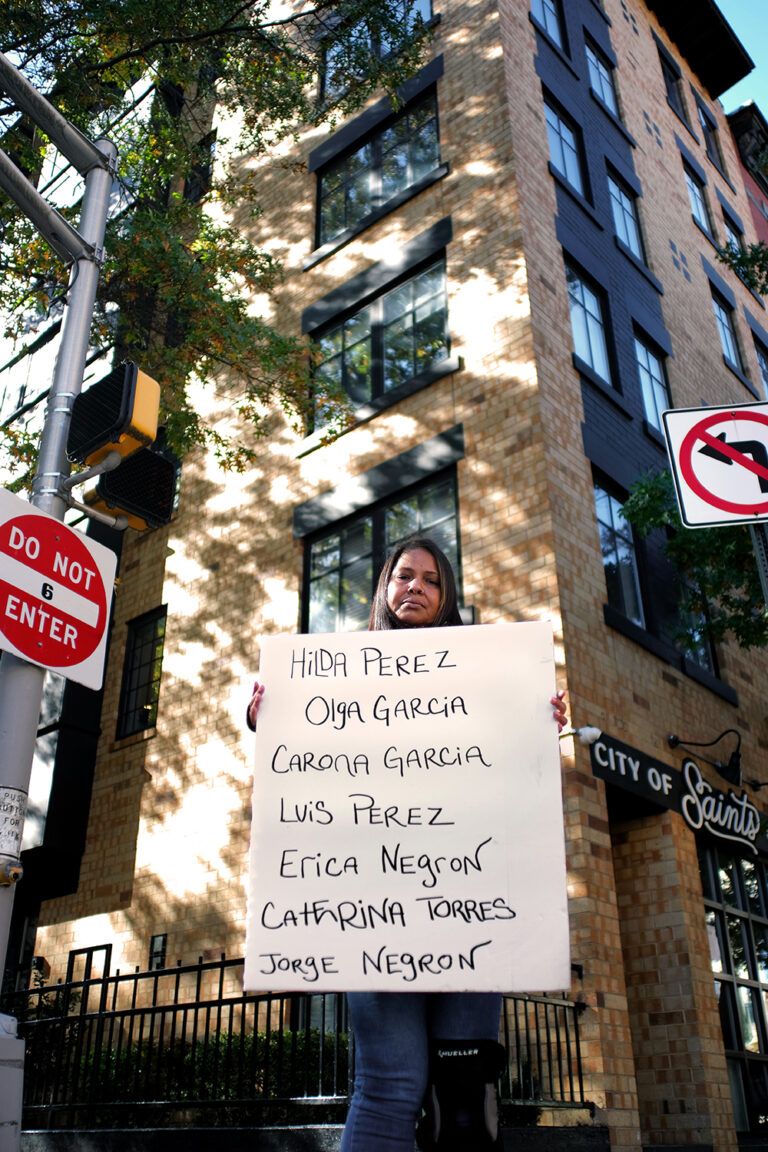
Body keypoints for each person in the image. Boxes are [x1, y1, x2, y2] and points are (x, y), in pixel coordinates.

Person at [247, 536, 567, 1151]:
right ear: (385, 588)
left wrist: (538, 721)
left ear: (446, 597)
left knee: (462, 1091)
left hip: (467, 911)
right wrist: (271, 718)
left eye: (430, 580)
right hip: (372, 916)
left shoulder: (484, 677)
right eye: (404, 576)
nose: (415, 586)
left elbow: (508, 782)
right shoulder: (336, 677)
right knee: (391, 1085)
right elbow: (306, 771)